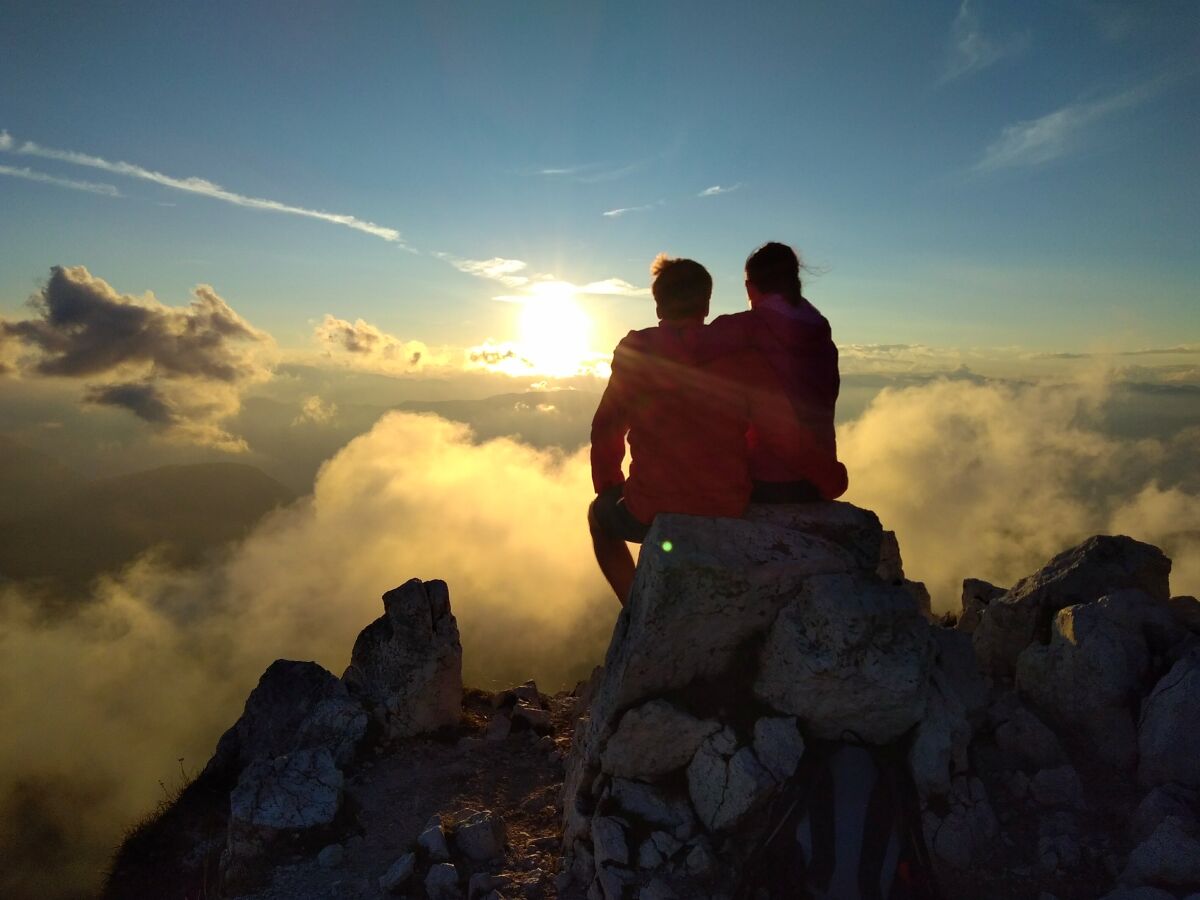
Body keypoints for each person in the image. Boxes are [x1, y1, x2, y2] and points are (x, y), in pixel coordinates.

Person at [588, 254, 752, 604]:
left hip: (652, 506)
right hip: (730, 501)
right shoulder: (735, 351)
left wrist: (610, 487)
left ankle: (636, 606)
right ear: (706, 304)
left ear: (658, 305)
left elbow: (606, 428)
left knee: (599, 517)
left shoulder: (637, 351)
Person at [707, 241, 848, 503]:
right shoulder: (821, 334)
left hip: (763, 480)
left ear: (750, 287)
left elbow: (686, 352)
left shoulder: (743, 329)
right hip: (816, 481)